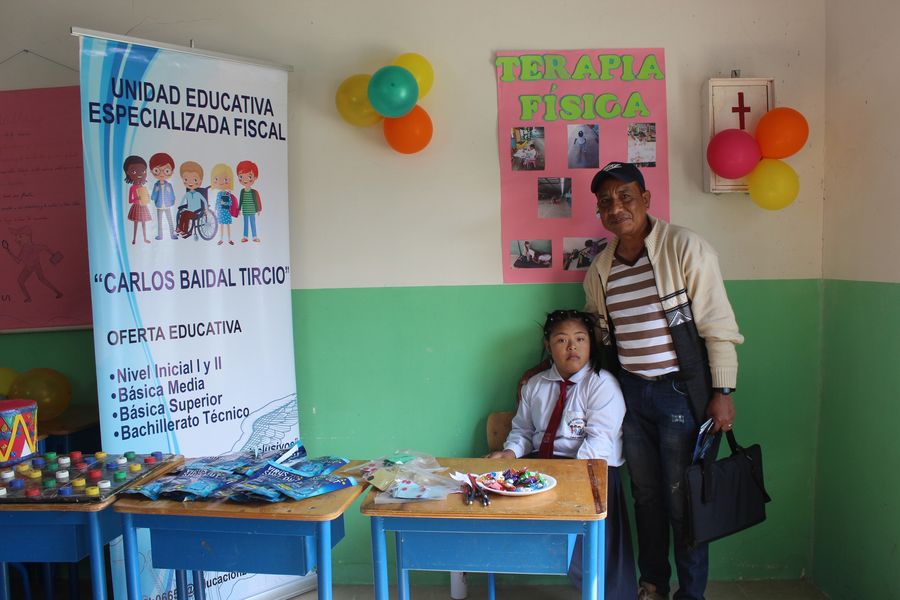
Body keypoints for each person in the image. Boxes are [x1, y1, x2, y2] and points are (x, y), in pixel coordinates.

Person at [583, 162, 743, 600]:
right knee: (646, 498)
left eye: (625, 197)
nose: (616, 208)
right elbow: (598, 337)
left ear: (646, 199)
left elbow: (718, 325)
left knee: (684, 500)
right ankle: (652, 583)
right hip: (631, 397)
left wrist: (723, 391)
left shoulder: (684, 247)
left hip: (680, 395)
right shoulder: (600, 269)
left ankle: (690, 593)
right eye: (606, 202)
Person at [486, 309, 637, 599]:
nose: (572, 347)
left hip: (592, 472)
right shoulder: (535, 385)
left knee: (595, 554)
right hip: (543, 469)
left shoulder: (602, 384)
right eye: (562, 340)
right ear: (548, 345)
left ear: (590, 343)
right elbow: (523, 430)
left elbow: (599, 442)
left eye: (580, 339)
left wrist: (561, 480)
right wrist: (509, 452)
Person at [149, 152, 178, 240]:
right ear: (152, 171)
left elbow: (172, 196)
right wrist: (156, 191)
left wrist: (172, 201)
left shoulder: (169, 185)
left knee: (170, 220)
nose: (162, 174)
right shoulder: (156, 185)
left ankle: (172, 234)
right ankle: (160, 235)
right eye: (157, 170)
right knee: (159, 222)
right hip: (159, 206)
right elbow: (152, 197)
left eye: (166, 171)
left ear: (171, 172)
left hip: (167, 205)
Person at [124, 155, 151, 245]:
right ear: (128, 173)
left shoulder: (142, 187)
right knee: (136, 224)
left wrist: (147, 197)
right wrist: (137, 198)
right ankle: (134, 239)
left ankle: (145, 238)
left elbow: (146, 198)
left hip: (143, 206)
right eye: (134, 171)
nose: (139, 174)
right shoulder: (132, 188)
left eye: (143, 171)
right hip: (136, 207)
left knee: (144, 223)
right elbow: (130, 201)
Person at [176, 161, 207, 240]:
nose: (190, 183)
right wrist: (181, 207)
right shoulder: (188, 194)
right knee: (183, 213)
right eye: (186, 179)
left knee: (186, 215)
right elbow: (182, 201)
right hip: (190, 211)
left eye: (195, 180)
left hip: (197, 212)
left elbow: (204, 201)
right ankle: (180, 229)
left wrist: (206, 209)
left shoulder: (198, 194)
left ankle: (185, 231)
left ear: (200, 181)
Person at [210, 163, 237, 245]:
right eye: (217, 179)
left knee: (227, 225)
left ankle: (229, 239)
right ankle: (221, 239)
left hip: (227, 211)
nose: (221, 182)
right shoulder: (219, 194)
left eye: (225, 180)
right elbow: (217, 202)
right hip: (221, 212)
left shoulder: (228, 194)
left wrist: (226, 203)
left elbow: (230, 202)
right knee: (221, 225)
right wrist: (215, 209)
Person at [236, 160, 262, 243]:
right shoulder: (242, 191)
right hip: (245, 211)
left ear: (255, 177)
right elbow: (240, 201)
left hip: (252, 210)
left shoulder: (254, 192)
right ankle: (245, 237)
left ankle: (254, 237)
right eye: (241, 177)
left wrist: (258, 209)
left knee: (253, 223)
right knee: (246, 224)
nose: (245, 180)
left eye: (249, 177)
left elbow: (256, 201)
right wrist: (239, 209)